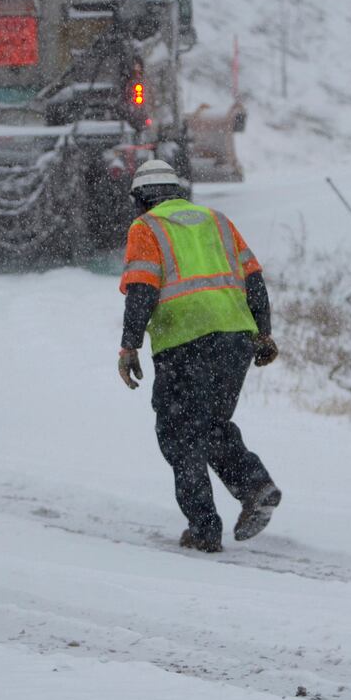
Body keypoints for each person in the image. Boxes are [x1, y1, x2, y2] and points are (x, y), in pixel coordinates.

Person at [117, 159, 281, 553]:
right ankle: (255, 486)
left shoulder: (146, 227)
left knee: (179, 434)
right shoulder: (218, 221)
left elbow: (142, 289)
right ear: (177, 190)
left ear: (141, 199)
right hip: (235, 338)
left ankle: (204, 529)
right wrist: (263, 333)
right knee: (210, 424)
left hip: (184, 342)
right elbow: (254, 279)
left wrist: (129, 345)